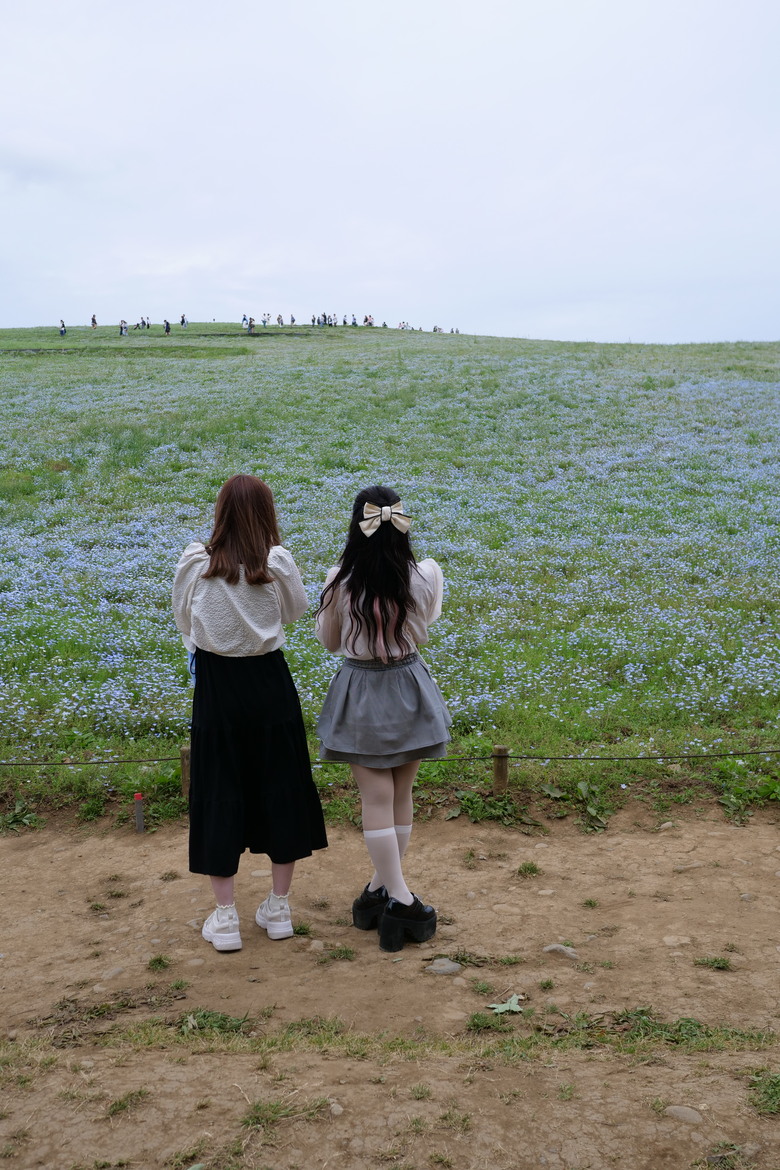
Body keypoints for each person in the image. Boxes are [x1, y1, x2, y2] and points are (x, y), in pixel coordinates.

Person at [173, 475, 328, 952]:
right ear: (267, 513)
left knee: (221, 788)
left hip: (219, 690)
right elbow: (295, 612)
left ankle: (225, 919)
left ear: (219, 511)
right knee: (281, 785)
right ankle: (278, 909)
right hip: (270, 684)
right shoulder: (276, 562)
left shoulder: (196, 562)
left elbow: (184, 620)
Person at [315, 486, 451, 952]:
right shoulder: (425, 575)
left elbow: (329, 642)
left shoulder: (339, 581)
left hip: (362, 691)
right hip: (410, 686)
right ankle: (393, 897)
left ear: (357, 527)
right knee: (399, 795)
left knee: (376, 797)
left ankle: (389, 895)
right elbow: (425, 627)